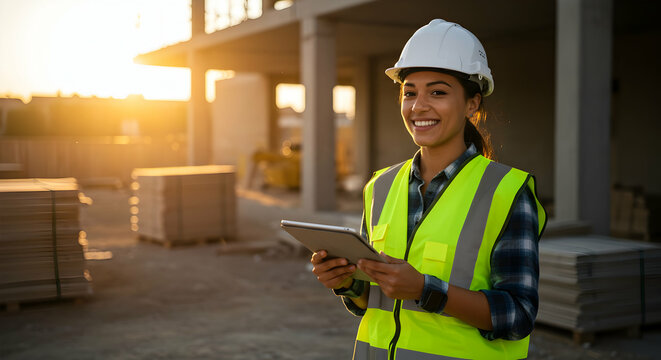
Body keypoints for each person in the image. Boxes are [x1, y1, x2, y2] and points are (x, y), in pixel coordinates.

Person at [310, 19, 547, 360]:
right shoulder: (380, 187)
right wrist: (346, 283)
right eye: (410, 92)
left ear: (472, 104)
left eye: (437, 92)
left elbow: (518, 315)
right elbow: (372, 303)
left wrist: (425, 290)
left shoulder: (507, 192)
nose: (418, 106)